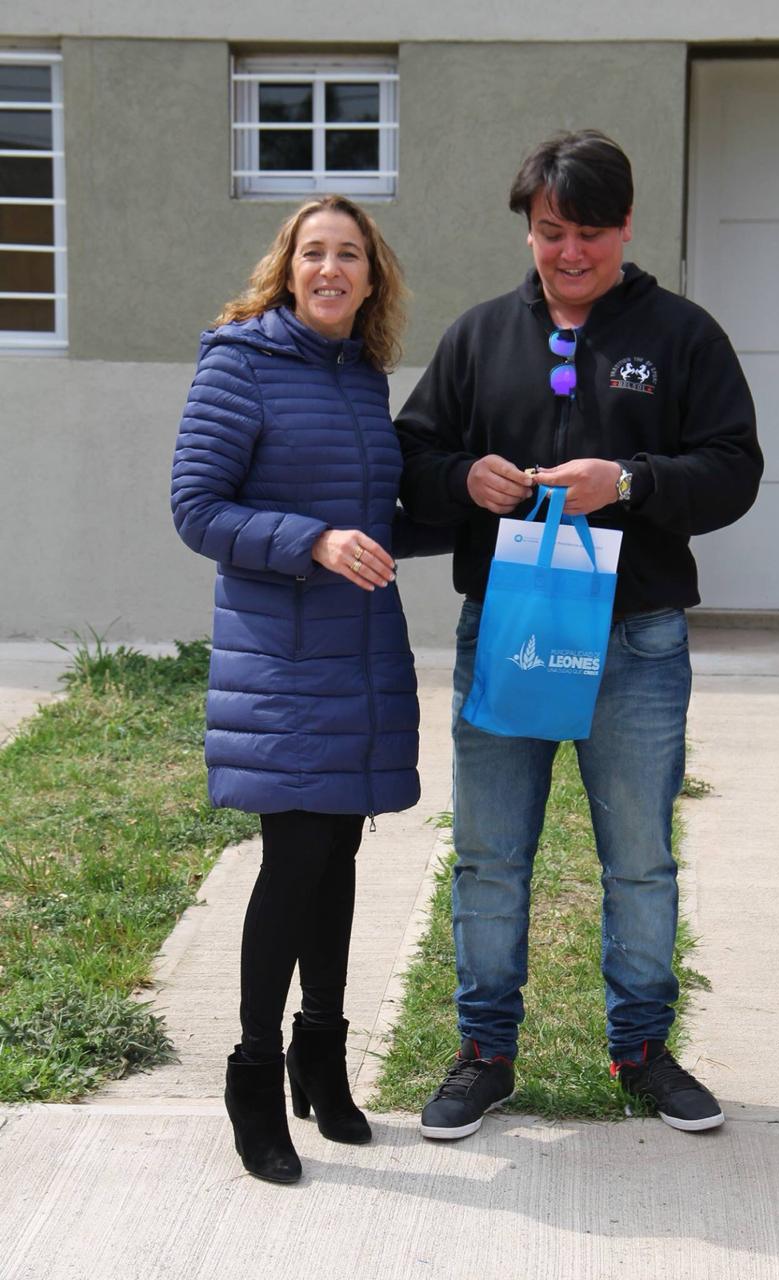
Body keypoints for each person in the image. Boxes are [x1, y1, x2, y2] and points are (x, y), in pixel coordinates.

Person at [396, 129, 763, 1140]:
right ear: (528, 227)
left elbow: (733, 469)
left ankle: (640, 1050)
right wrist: (461, 476)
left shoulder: (682, 335)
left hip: (635, 641)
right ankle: (484, 1052)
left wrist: (630, 482)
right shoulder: (479, 336)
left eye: (590, 232)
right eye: (551, 230)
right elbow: (413, 458)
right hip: (508, 629)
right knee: (488, 855)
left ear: (626, 226)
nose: (569, 252)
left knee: (638, 859)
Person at [172, 195, 439, 1184]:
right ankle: (252, 1071)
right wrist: (311, 541)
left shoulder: (361, 373)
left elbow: (372, 516)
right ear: (287, 269)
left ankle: (318, 1052)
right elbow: (197, 507)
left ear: (373, 278)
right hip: (281, 657)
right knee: (293, 857)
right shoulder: (238, 362)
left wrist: (477, 500)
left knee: (337, 851)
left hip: (356, 649)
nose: (331, 268)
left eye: (349, 254)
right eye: (313, 252)